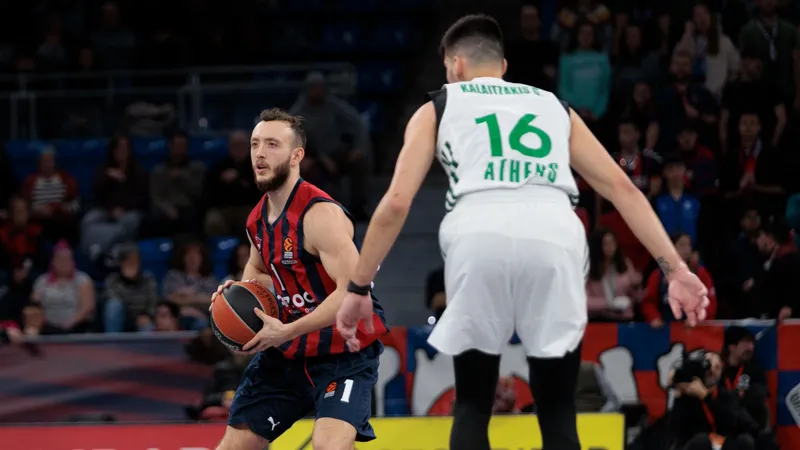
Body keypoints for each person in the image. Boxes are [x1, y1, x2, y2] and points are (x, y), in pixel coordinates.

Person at [335, 15, 709, 450]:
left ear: (455, 65)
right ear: (504, 66)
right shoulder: (554, 105)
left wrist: (359, 285)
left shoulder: (439, 104)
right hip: (555, 231)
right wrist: (676, 269)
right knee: (556, 409)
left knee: (473, 403)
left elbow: (397, 202)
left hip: (478, 231)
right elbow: (622, 188)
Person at [211, 108, 388, 450]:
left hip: (344, 352)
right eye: (255, 144)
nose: (260, 153)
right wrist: (240, 294)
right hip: (288, 355)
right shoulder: (256, 219)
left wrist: (287, 329)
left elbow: (355, 293)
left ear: (297, 156)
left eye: (272, 144)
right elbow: (260, 270)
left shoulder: (321, 215)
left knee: (329, 447)